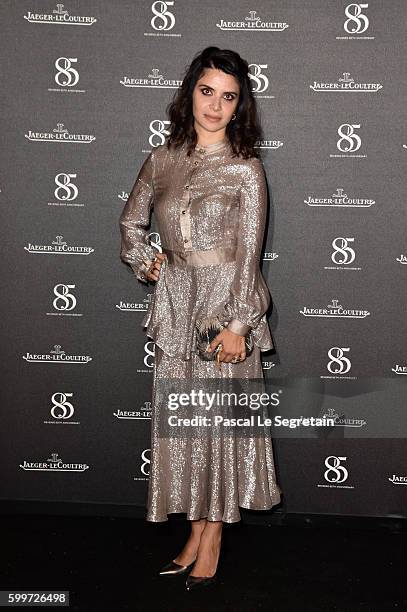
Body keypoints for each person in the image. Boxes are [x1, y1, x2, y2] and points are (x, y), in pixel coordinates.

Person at [119, 46, 281, 591]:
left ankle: (212, 536)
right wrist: (149, 261)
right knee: (186, 426)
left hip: (224, 306)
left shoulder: (246, 170)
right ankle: (193, 531)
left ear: (240, 107)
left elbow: (250, 253)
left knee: (220, 425)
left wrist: (239, 324)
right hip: (176, 301)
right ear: (190, 93)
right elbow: (130, 222)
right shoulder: (161, 159)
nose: (215, 105)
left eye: (228, 96)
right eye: (206, 91)